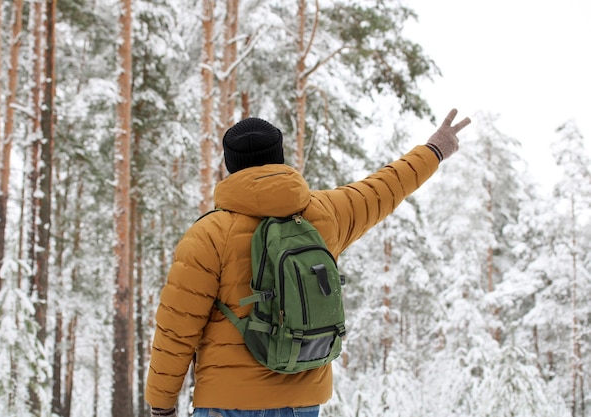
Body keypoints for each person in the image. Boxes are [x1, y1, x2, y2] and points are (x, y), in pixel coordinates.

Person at [146, 109, 471, 417]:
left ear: (230, 165)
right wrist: (434, 150)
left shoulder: (208, 234)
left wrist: (162, 404)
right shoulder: (324, 212)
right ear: (280, 156)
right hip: (302, 400)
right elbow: (383, 189)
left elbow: (177, 327)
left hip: (227, 400)